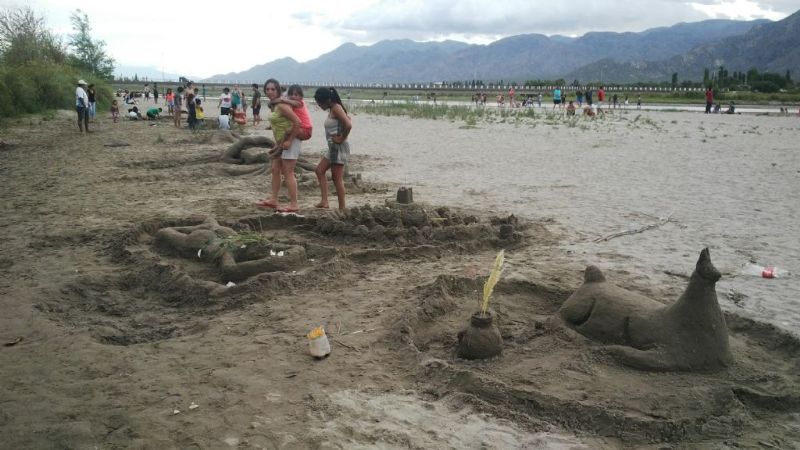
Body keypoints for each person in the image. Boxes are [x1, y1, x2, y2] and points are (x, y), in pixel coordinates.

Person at [256, 79, 302, 213]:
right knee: (275, 169)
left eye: (273, 89)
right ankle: (273, 200)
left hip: (291, 141)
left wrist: (289, 141)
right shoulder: (275, 105)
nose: (270, 92)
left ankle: (294, 204)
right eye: (267, 89)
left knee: (288, 172)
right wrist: (278, 143)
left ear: (278, 90)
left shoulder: (282, 105)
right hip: (281, 142)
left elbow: (297, 122)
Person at [313, 87, 351, 211]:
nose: (319, 105)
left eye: (320, 103)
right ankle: (324, 201)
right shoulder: (333, 109)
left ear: (328, 100)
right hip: (332, 148)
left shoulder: (336, 108)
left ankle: (342, 208)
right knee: (319, 170)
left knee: (337, 178)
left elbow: (348, 124)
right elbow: (347, 120)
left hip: (339, 147)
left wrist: (341, 138)